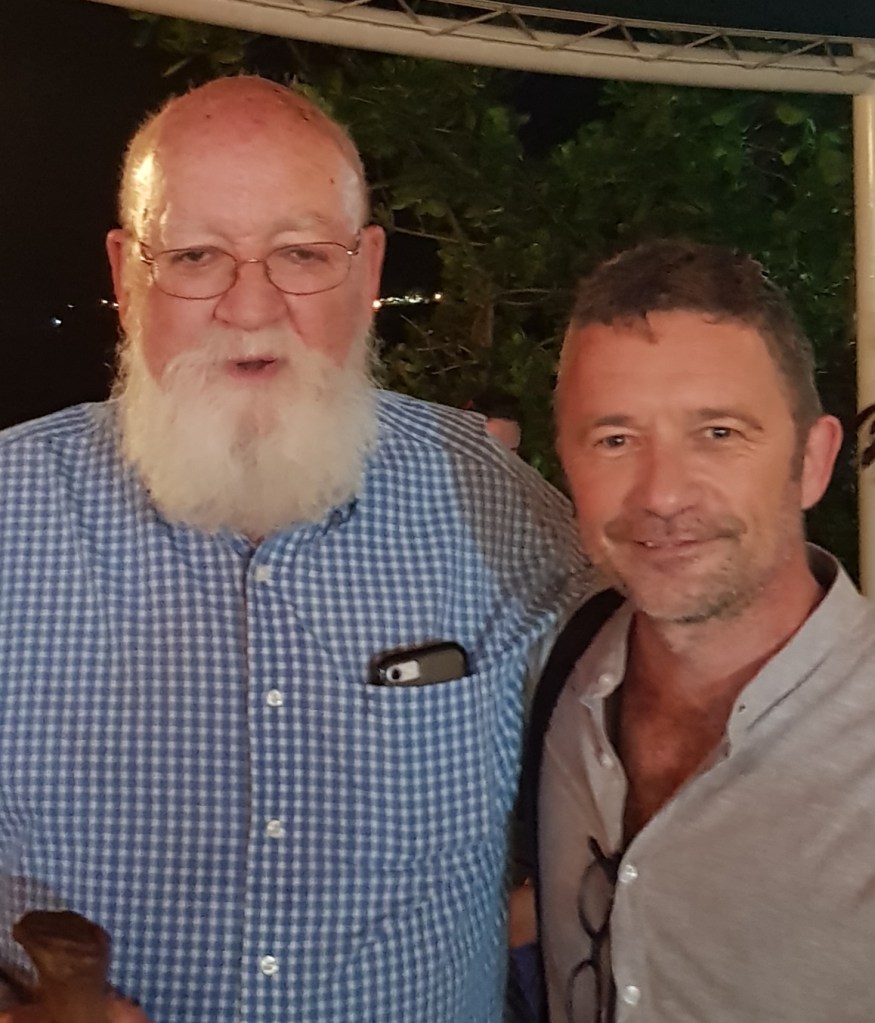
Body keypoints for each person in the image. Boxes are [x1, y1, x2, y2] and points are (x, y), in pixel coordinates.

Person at [0, 76, 589, 1023]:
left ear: (366, 270)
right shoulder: (13, 509)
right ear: (125, 275)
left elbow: (643, 765)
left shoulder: (491, 497)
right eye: (195, 256)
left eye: (301, 254)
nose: (250, 306)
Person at [541, 238, 875, 1022]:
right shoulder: (551, 681)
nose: (661, 494)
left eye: (718, 433)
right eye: (614, 439)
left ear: (812, 459)